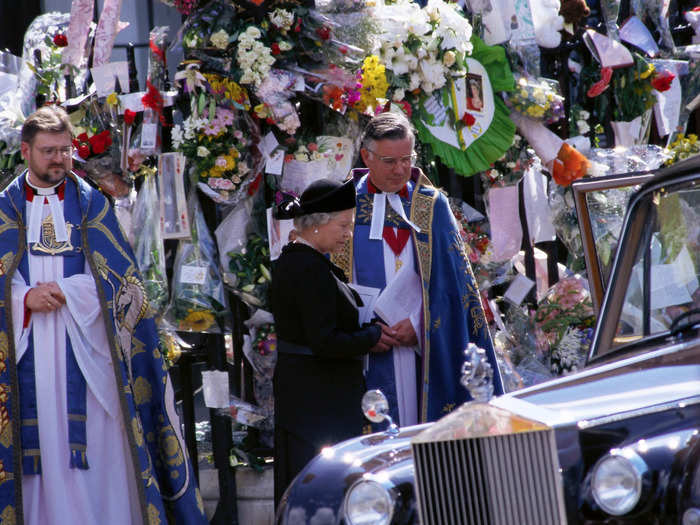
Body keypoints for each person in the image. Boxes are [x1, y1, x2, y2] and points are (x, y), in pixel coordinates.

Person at [0, 105, 207, 524]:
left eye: (65, 149)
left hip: (91, 354)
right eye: (48, 151)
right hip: (26, 357)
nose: (59, 159)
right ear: (25, 152)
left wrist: (68, 292)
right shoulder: (3, 211)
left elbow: (125, 282)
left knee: (102, 447)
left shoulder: (94, 205)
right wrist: (21, 300)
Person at [331, 111, 504, 428]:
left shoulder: (431, 205)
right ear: (366, 156)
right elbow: (332, 284)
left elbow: (456, 286)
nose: (400, 170)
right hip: (368, 352)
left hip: (423, 349)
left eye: (406, 159)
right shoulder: (345, 206)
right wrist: (362, 333)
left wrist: (421, 323)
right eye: (389, 161)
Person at [271, 179, 397, 507]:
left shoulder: (305, 262)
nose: (348, 233)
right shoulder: (306, 267)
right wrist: (371, 337)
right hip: (317, 403)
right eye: (343, 225)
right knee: (321, 494)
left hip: (313, 397)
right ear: (317, 224)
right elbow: (324, 341)